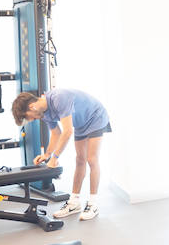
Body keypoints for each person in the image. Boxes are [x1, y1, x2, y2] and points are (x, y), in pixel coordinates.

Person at [11, 88, 111, 221]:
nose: (33, 119)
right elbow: (56, 133)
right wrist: (47, 155)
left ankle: (93, 203)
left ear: (32, 106)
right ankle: (74, 202)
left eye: (30, 117)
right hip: (81, 123)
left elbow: (67, 131)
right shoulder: (44, 113)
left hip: (95, 116)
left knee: (92, 159)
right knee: (80, 160)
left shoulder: (59, 98)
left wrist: (55, 157)